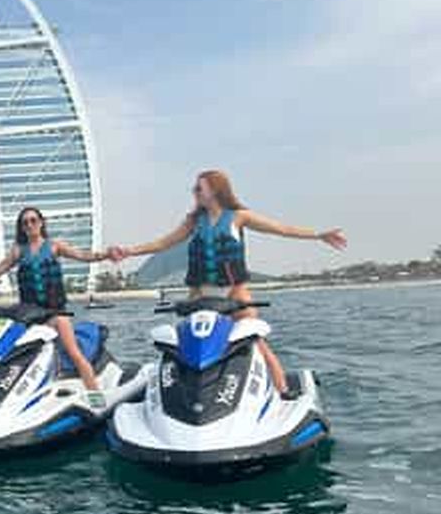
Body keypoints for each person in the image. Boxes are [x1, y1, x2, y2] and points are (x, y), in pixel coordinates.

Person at [109, 169, 347, 396]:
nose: (194, 192)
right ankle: (187, 393)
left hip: (235, 293)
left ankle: (282, 391)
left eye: (199, 188)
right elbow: (163, 243)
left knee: (255, 342)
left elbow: (281, 229)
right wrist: (129, 251)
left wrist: (319, 235)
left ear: (215, 190)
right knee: (190, 346)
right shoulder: (194, 221)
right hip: (200, 295)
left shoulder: (239, 216)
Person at [0, 206, 111, 391]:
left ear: (41, 223)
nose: (29, 225)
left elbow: (83, 256)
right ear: (21, 227)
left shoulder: (54, 245)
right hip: (28, 316)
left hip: (54, 313)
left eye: (33, 220)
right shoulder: (18, 251)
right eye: (25, 222)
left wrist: (106, 255)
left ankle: (95, 394)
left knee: (74, 353)